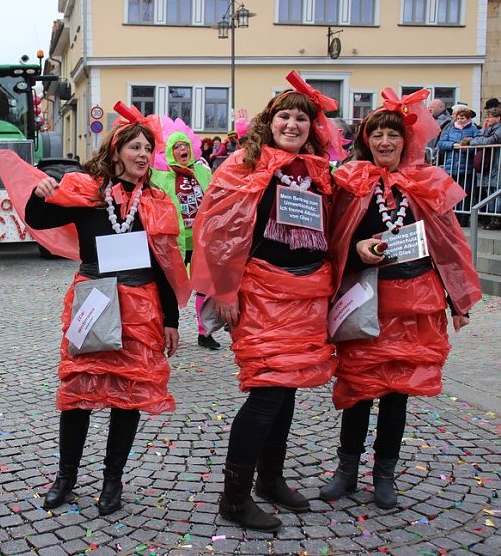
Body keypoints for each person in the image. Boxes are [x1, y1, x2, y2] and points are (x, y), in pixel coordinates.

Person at [0, 102, 189, 517]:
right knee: (79, 392)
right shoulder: (87, 191)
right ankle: (66, 476)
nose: (142, 155)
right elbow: (37, 218)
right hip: (95, 297)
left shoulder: (155, 200)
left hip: (142, 304)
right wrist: (40, 192)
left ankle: (112, 479)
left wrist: (171, 319)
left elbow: (165, 264)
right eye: (134, 147)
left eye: (147, 149)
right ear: (116, 151)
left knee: (129, 394)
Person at [191, 70, 343, 532]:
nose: (293, 124)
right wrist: (224, 289)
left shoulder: (317, 172)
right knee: (267, 392)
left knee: (288, 390)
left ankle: (269, 479)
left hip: (306, 292)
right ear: (269, 120)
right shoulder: (243, 164)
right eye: (285, 116)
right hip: (260, 293)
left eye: (302, 117)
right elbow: (217, 231)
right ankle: (233, 500)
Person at [322, 88, 481, 509]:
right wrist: (357, 248)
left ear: (406, 140)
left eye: (393, 134)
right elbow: (335, 236)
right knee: (357, 388)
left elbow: (448, 243)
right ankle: (347, 471)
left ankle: (385, 474)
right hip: (367, 298)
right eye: (377, 135)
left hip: (415, 301)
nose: (385, 142)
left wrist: (458, 300)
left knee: (397, 393)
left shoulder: (425, 182)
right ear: (366, 140)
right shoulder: (350, 181)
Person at [150, 126, 216, 349]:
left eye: (185, 145)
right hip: (175, 241)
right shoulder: (163, 177)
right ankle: (166, 328)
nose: (182, 149)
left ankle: (204, 332)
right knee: (168, 286)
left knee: (204, 286)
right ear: (170, 152)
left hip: (200, 240)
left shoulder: (204, 173)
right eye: (177, 146)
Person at [459, 105, 501, 228]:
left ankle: (497, 218)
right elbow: (478, 136)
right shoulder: (487, 129)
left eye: (490, 117)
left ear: (498, 118)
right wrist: (474, 139)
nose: (487, 119)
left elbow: (490, 141)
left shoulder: (498, 130)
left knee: (496, 192)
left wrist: (471, 142)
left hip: (497, 165)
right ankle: (492, 218)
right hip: (488, 166)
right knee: (489, 192)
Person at [437, 104, 480, 196]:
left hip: (467, 166)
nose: (460, 121)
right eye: (458, 118)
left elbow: (478, 142)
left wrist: (468, 146)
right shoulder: (450, 129)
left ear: (468, 119)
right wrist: (453, 145)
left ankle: (463, 209)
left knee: (465, 193)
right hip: (451, 166)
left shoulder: (473, 130)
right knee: (450, 193)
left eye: (462, 118)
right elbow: (441, 143)